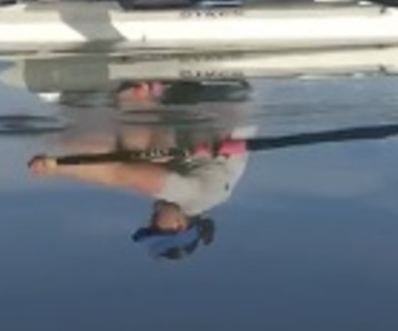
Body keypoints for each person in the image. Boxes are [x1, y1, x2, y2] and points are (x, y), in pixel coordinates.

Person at [27, 78, 256, 261]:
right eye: (156, 227)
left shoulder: (209, 196)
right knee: (136, 156)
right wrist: (54, 167)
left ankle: (122, 90)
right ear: (179, 225)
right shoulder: (192, 198)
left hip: (210, 97)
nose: (151, 221)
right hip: (217, 94)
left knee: (145, 158)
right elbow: (120, 174)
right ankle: (120, 91)